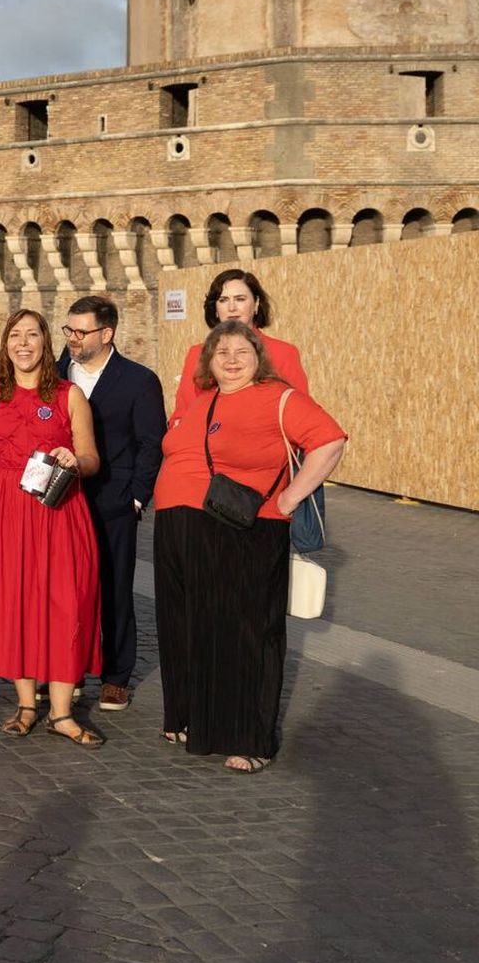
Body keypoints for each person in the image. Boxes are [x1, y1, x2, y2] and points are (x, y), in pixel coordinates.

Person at [153, 320, 346, 772]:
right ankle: (193, 720)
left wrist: (291, 496)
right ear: (208, 362)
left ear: (258, 356)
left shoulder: (279, 398)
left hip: (248, 529)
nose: (232, 359)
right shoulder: (202, 401)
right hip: (182, 530)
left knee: (249, 634)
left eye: (242, 351)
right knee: (190, 628)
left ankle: (251, 738)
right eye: (222, 353)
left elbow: (330, 441)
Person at [0, 310, 105, 748]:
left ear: (46, 342)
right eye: (15, 335)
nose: (24, 343)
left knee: (65, 604)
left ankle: (62, 712)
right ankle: (26, 704)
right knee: (14, 604)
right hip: (1, 514)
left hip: (57, 512)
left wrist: (74, 461)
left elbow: (92, 458)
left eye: (33, 335)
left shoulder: (70, 395)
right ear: (5, 344)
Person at [54, 296, 165, 713]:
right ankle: (70, 671)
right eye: (69, 330)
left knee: (115, 588)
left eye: (81, 332)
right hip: (62, 498)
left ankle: (116, 676)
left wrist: (137, 497)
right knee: (68, 591)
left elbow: (150, 443)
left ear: (107, 333)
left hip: (113, 501)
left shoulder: (138, 380)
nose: (72, 339)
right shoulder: (58, 373)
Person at [173, 269, 308, 412]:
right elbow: (183, 415)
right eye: (223, 300)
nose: (232, 308)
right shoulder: (198, 354)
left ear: (256, 304)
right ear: (216, 309)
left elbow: (302, 412)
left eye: (240, 299)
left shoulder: (283, 353)